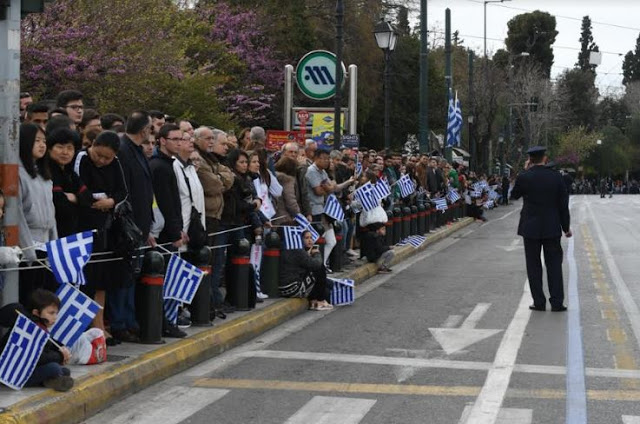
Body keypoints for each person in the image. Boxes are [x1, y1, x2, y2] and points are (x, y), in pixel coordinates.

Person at [511, 146, 571, 312]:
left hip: (530, 227)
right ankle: (557, 302)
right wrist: (566, 227)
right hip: (551, 227)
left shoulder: (525, 177)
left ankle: (539, 302)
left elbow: (514, 195)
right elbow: (563, 205)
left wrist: (523, 172)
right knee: (554, 265)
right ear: (545, 158)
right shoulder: (556, 177)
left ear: (530, 160)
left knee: (533, 266)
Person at [0, 290, 74, 391]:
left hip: (28, 368)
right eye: (51, 313)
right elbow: (36, 356)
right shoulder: (28, 328)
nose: (55, 317)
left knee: (64, 371)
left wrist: (61, 351)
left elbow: (49, 345)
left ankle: (50, 381)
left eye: (56, 313)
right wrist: (59, 356)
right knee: (54, 368)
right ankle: (51, 380)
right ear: (36, 312)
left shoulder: (40, 327)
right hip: (13, 371)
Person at [17, 123, 58, 305]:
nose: (42, 145)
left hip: (45, 245)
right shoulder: (17, 173)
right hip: (27, 248)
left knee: (41, 298)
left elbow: (51, 213)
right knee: (27, 297)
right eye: (36, 141)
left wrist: (53, 246)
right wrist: (28, 251)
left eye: (44, 141)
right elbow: (16, 213)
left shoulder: (44, 175)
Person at [279, 230, 333, 311]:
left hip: (283, 288)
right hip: (293, 288)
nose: (310, 240)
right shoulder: (297, 250)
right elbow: (316, 264)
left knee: (328, 287)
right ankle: (320, 301)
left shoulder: (286, 248)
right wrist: (316, 253)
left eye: (311, 238)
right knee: (320, 268)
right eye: (306, 238)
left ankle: (314, 301)